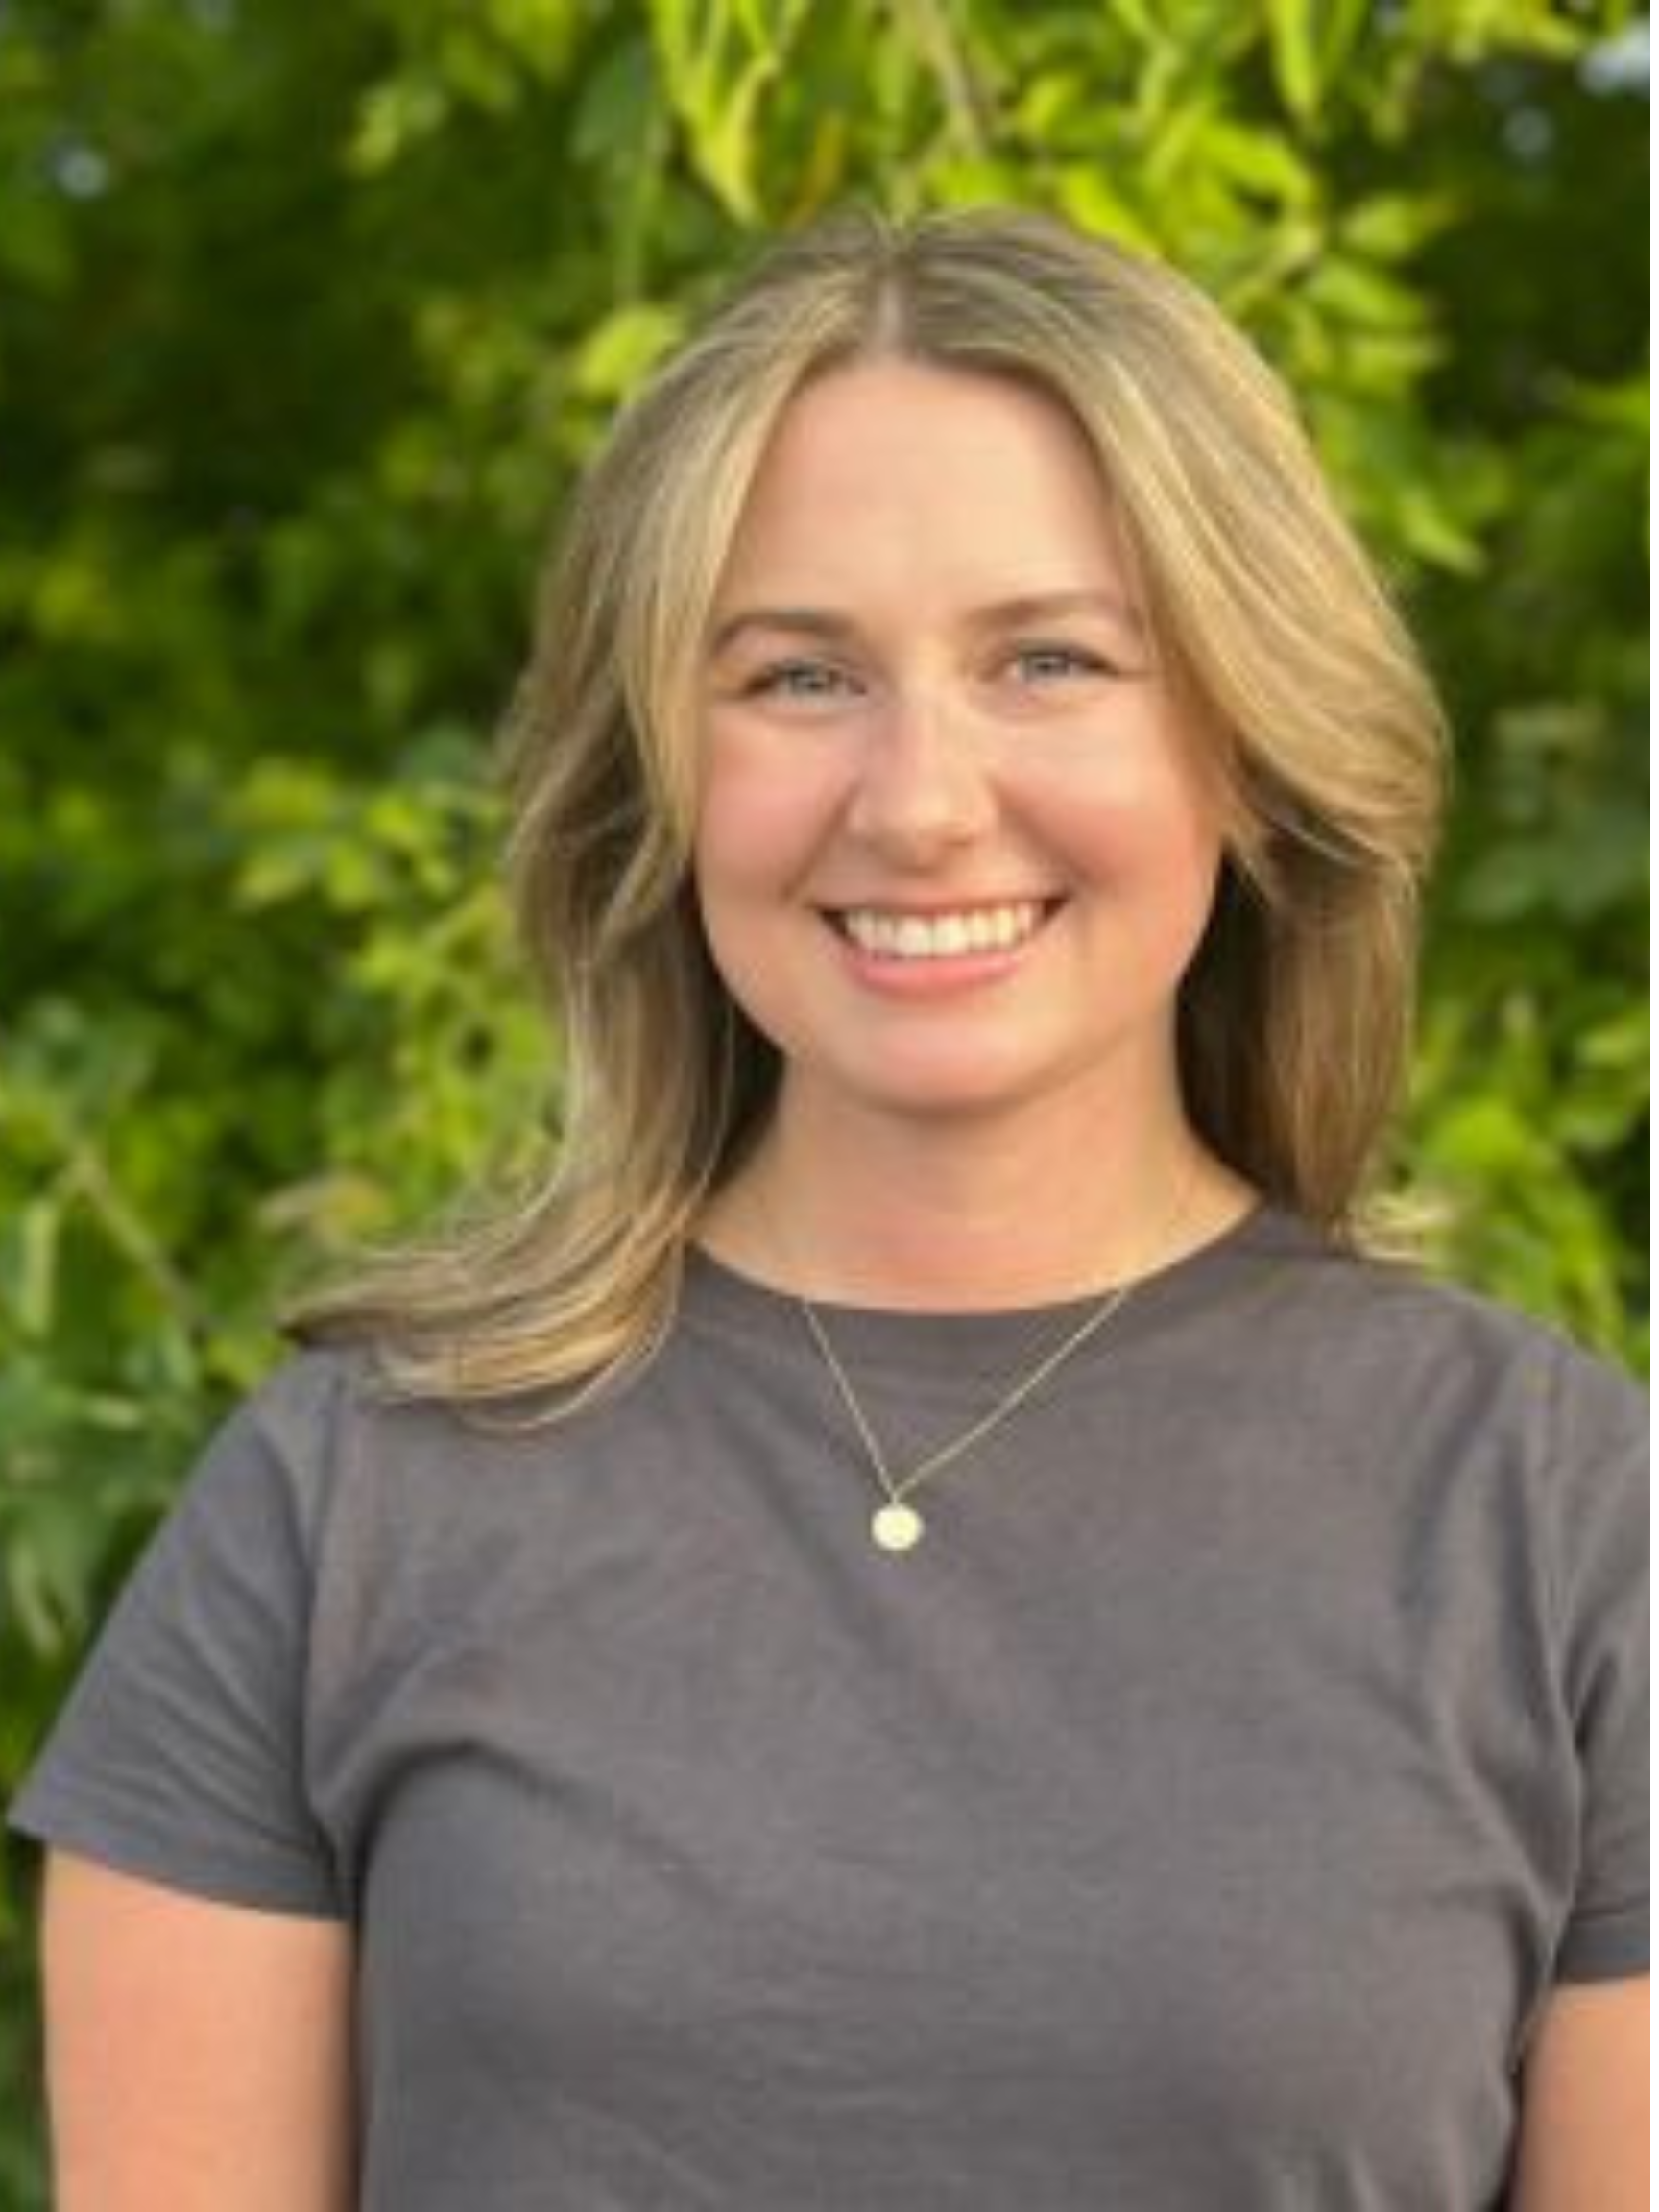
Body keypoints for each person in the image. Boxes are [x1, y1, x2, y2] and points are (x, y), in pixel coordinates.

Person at [9, 206, 1646, 2210]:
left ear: (1245, 738)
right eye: (798, 678)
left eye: (1051, 659)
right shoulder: (343, 1509)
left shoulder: (1568, 1530)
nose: (921, 798)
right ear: (660, 771)